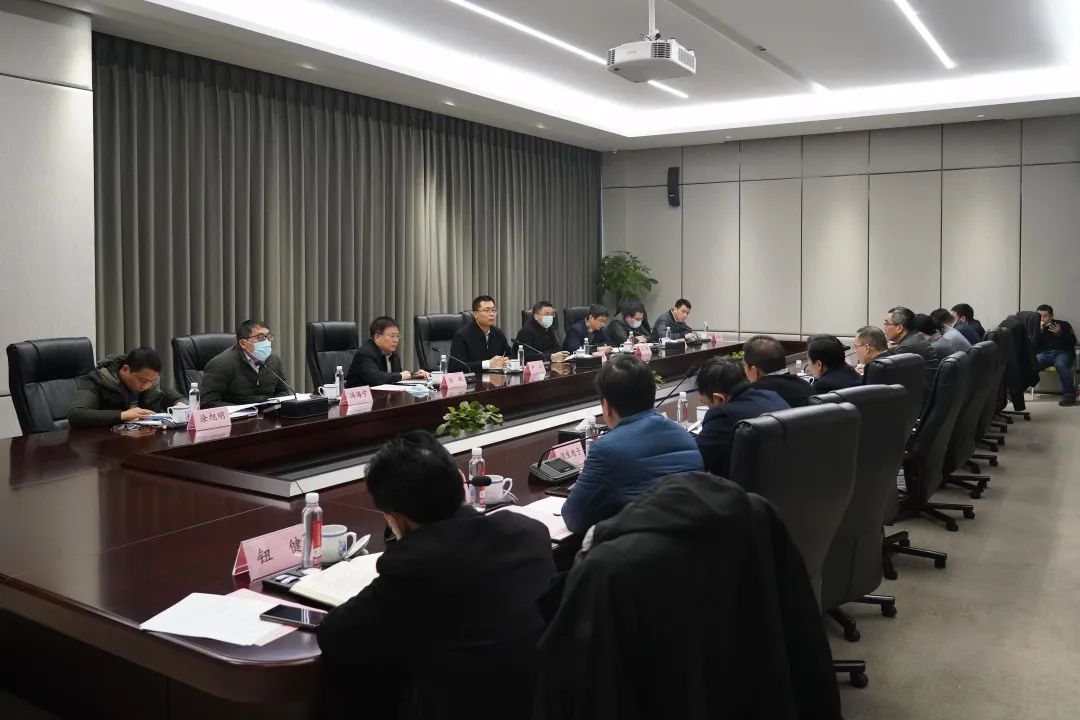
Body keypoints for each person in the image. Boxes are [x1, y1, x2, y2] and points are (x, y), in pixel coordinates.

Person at [316, 431, 555, 720]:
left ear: (395, 515)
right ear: (461, 482)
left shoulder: (414, 564)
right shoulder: (529, 532)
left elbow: (336, 635)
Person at [562, 354, 703, 535]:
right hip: (690, 543)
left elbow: (574, 518)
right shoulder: (683, 435)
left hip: (641, 548)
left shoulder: (607, 449)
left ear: (606, 406)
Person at [695, 357, 788, 477]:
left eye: (705, 402)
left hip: (738, 488)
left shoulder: (723, 416)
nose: (707, 407)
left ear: (719, 398)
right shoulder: (773, 397)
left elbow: (695, 461)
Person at [68, 347, 185, 427]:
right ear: (125, 370)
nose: (147, 386)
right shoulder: (98, 380)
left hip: (146, 442)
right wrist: (123, 415)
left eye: (152, 380)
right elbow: (76, 414)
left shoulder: (153, 380)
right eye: (143, 380)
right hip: (107, 445)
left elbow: (177, 399)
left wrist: (182, 406)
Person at [200, 320, 291, 407]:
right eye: (260, 337)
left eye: (268, 337)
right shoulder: (221, 364)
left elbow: (283, 392)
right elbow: (207, 402)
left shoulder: (274, 360)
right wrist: (242, 410)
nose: (266, 342)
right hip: (238, 416)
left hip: (268, 414)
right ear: (243, 343)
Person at [347, 317, 430, 387]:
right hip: (360, 399)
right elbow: (377, 378)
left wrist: (414, 375)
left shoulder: (392, 355)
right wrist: (401, 376)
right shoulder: (365, 354)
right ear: (377, 337)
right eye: (392, 336)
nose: (396, 340)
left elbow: (396, 377)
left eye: (397, 336)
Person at [742, 335, 813, 408]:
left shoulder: (754, 395)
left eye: (744, 366)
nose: (744, 370)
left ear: (754, 370)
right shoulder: (806, 386)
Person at [449, 295, 513, 373]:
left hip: (496, 378)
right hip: (473, 379)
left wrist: (506, 360)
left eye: (493, 310)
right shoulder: (462, 336)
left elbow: (510, 354)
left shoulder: (498, 333)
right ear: (475, 314)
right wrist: (488, 364)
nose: (492, 314)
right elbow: (455, 367)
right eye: (487, 310)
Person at [1035, 304, 1077, 406]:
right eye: (1039, 316)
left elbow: (1073, 341)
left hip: (1063, 353)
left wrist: (1060, 333)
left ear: (1051, 316)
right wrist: (1039, 332)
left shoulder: (1064, 324)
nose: (1042, 318)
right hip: (1044, 354)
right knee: (1032, 363)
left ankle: (1070, 397)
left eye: (1045, 316)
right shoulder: (1035, 327)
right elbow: (1032, 345)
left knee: (1060, 364)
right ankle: (1015, 392)